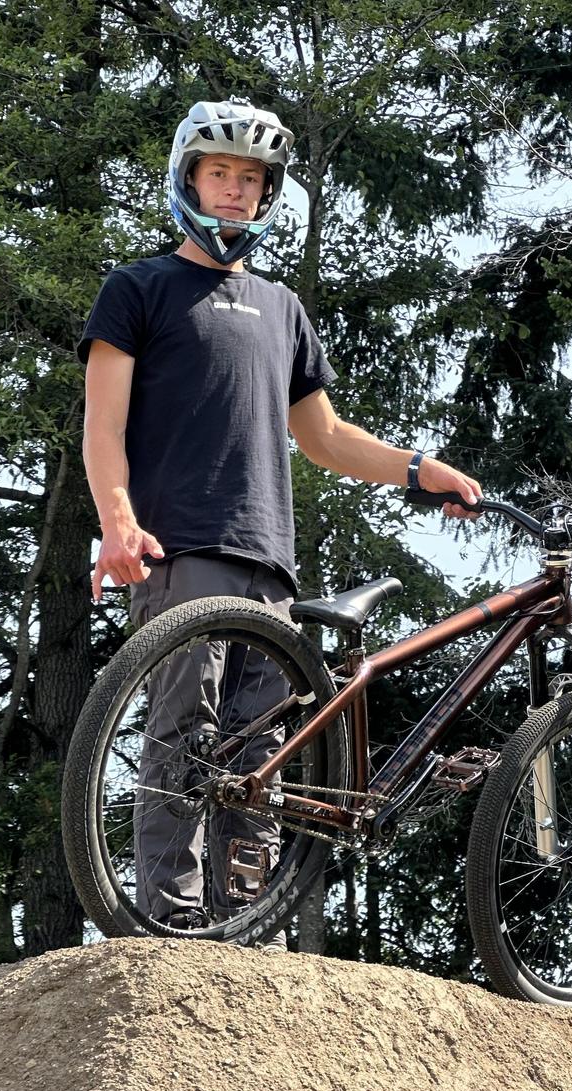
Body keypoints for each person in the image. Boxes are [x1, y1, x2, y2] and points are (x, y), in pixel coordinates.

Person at [78, 99, 481, 933]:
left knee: (263, 756)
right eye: (220, 173)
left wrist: (418, 468)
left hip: (271, 563)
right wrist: (118, 523)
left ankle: (242, 929)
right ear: (189, 179)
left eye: (250, 180)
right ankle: (172, 929)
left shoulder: (282, 308)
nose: (233, 191)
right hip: (179, 551)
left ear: (266, 195)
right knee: (185, 736)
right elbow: (102, 430)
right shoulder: (138, 289)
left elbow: (326, 437)